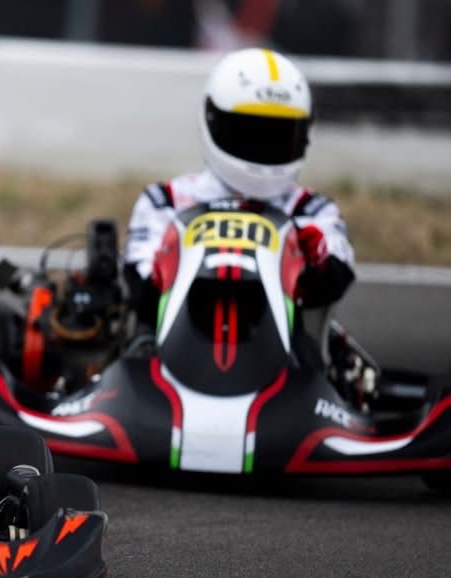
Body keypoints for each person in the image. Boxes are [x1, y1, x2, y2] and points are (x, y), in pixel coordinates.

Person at [123, 47, 356, 358]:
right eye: (250, 132)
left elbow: (336, 277)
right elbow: (142, 288)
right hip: (175, 352)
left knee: (312, 350)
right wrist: (167, 266)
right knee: (138, 345)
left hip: (284, 360)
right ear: (213, 120)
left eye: (277, 135)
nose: (264, 145)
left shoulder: (311, 210)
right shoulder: (166, 202)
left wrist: (316, 261)